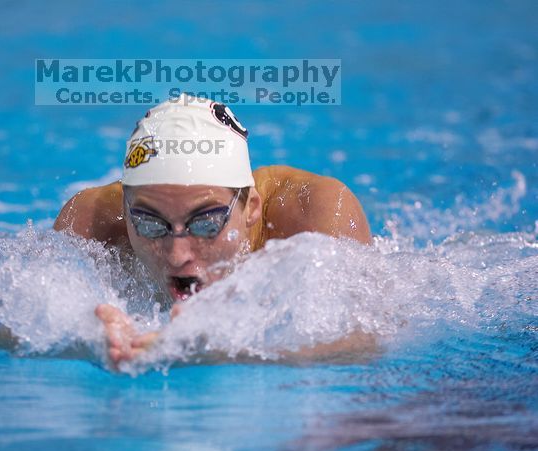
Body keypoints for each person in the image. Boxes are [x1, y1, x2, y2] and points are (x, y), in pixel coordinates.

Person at [53, 94, 374, 367]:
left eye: (206, 224)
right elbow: (10, 328)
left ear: (251, 208)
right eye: (150, 224)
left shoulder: (313, 215)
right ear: (125, 213)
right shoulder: (91, 220)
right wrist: (87, 339)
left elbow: (363, 342)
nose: (178, 255)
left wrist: (224, 349)